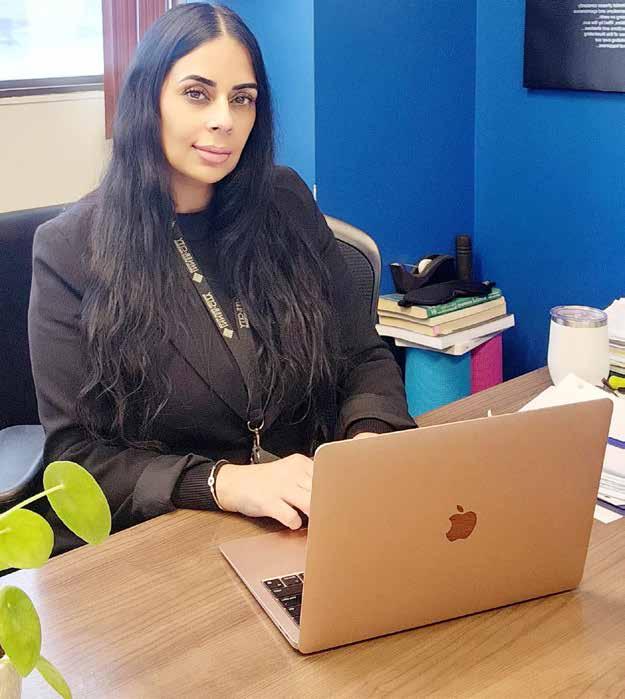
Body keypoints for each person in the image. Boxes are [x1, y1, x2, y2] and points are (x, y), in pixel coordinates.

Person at [28, 3, 414, 555]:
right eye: (196, 93)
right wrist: (224, 483)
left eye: (242, 98)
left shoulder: (285, 202)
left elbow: (362, 356)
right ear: (147, 100)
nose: (223, 120)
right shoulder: (71, 249)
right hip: (168, 544)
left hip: (310, 523)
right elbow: (75, 461)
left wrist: (368, 437)